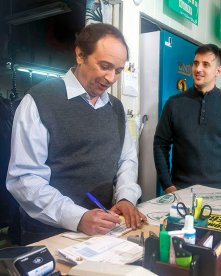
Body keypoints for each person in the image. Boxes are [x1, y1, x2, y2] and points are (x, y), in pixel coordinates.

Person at [6, 23, 147, 245]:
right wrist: (77, 217)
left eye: (118, 71)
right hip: (50, 233)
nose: (111, 78)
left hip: (105, 229)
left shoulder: (116, 108)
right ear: (80, 55)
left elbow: (126, 160)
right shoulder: (39, 101)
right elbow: (25, 179)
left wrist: (126, 197)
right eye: (104, 66)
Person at [153, 44, 221, 193]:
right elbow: (160, 144)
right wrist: (167, 185)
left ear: (218, 70)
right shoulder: (174, 104)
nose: (198, 69)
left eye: (206, 64)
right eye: (196, 63)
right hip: (180, 192)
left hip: (220, 193)